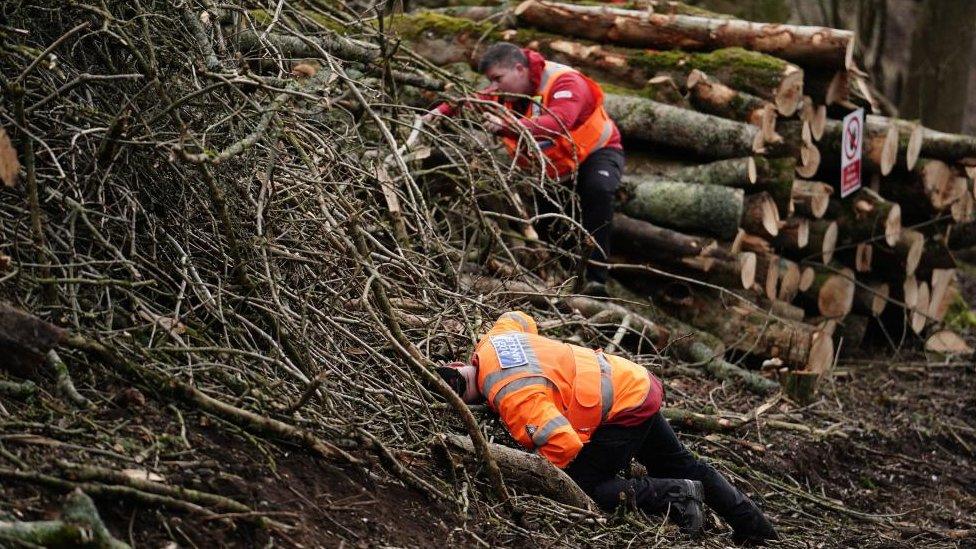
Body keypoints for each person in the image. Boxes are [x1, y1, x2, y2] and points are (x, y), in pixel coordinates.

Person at [437, 310, 778, 544]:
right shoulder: (492, 342)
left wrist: (537, 472)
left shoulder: (511, 397)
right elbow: (520, 319)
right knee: (682, 462)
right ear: (460, 363)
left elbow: (562, 444)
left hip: (620, 408)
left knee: (586, 485)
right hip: (630, 381)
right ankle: (758, 531)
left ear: (467, 402)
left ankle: (677, 494)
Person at [424, 42, 623, 293]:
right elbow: (474, 99)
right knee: (549, 222)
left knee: (598, 191)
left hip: (596, 152)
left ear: (519, 68)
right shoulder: (505, 91)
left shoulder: (565, 82)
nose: (494, 86)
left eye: (497, 78)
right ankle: (564, 280)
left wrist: (510, 126)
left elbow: (560, 121)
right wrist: (438, 113)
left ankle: (596, 280)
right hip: (552, 168)